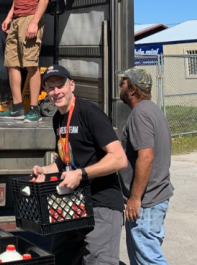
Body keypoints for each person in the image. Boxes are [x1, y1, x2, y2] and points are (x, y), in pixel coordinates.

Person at [32, 64, 127, 265]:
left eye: (60, 85)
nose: (56, 92)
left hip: (101, 203)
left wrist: (81, 174)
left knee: (96, 261)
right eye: (51, 87)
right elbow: (65, 161)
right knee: (60, 257)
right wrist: (45, 171)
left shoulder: (89, 112)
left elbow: (119, 158)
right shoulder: (57, 118)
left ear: (72, 85)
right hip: (74, 204)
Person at [118, 68, 174, 265]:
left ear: (132, 89)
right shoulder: (152, 109)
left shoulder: (140, 114)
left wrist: (134, 198)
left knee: (150, 260)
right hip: (153, 199)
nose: (120, 86)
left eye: (123, 83)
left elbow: (147, 157)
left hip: (146, 203)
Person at [0, 0, 51, 123]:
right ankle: (17, 108)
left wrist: (35, 22)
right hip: (17, 19)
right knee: (11, 62)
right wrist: (10, 15)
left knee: (31, 64)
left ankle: (34, 109)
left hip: (30, 18)